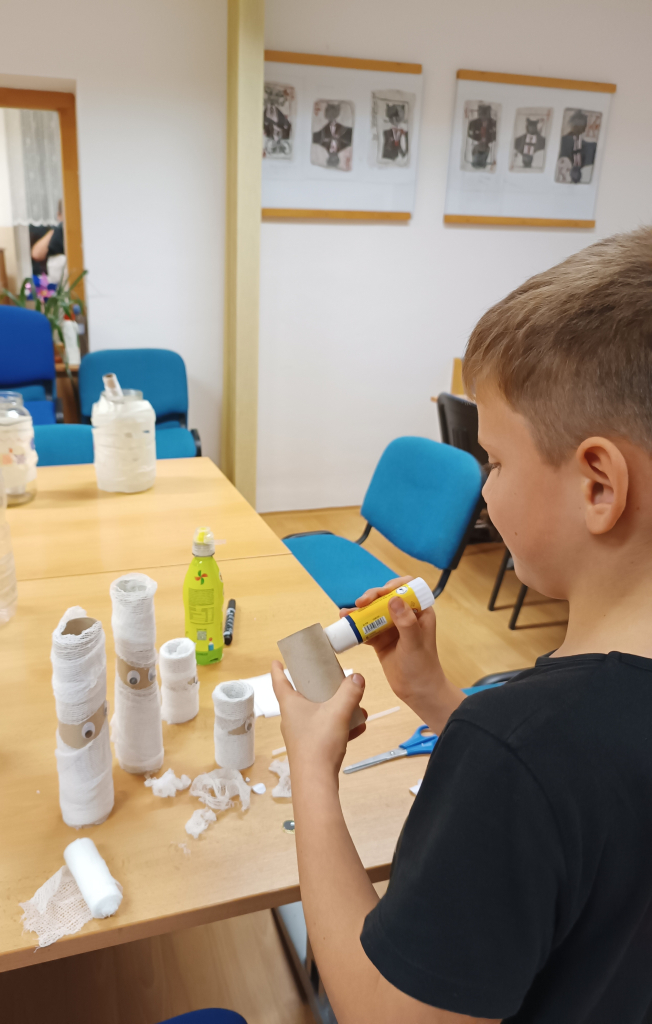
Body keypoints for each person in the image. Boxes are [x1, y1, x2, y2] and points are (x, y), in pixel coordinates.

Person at [272, 227, 652, 1024]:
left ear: (599, 486)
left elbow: (381, 1011)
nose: (483, 492)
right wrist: (439, 698)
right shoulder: (533, 744)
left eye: (497, 462)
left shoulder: (516, 751)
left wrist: (310, 767)